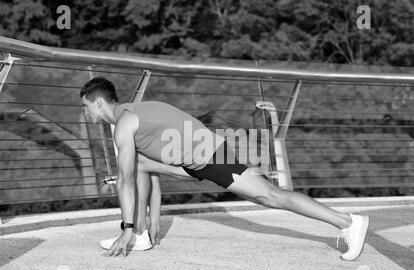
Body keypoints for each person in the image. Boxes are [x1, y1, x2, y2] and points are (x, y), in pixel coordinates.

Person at [80, 76, 369, 260]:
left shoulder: (125, 125)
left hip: (209, 156)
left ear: (99, 102)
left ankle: (347, 222)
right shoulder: (133, 115)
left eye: (86, 107)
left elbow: (124, 183)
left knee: (269, 196)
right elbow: (143, 172)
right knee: (140, 165)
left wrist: (126, 229)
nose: (85, 113)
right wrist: (150, 219)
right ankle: (143, 235)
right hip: (197, 159)